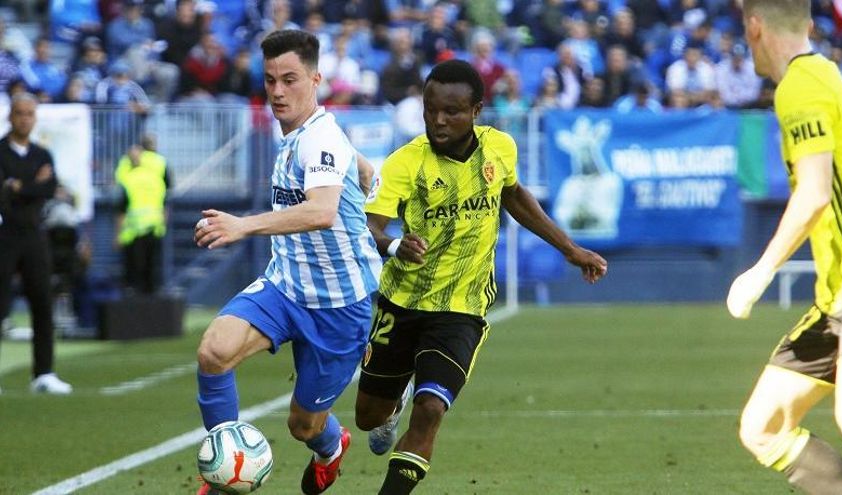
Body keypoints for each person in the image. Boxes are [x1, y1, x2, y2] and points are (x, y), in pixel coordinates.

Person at [354, 59, 608, 494]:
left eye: (451, 111)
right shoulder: (404, 163)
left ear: (476, 110)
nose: (438, 120)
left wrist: (569, 248)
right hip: (402, 303)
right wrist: (394, 244)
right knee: (368, 418)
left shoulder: (500, 149)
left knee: (432, 407)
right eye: (430, 110)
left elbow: (512, 194)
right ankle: (391, 405)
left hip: (462, 308)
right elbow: (369, 224)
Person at [192, 29, 381, 495]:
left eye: (290, 79)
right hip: (285, 286)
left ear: (315, 79)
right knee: (214, 352)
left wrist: (243, 225)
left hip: (339, 306)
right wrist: (361, 166)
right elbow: (351, 163)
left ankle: (332, 446)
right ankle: (224, 473)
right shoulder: (307, 133)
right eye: (271, 79)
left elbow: (321, 212)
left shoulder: (320, 140)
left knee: (304, 425)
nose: (277, 91)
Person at [727, 1, 842, 493]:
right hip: (838, 295)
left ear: (753, 27)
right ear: (811, 25)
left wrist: (761, 270)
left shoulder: (801, 85)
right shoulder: (823, 76)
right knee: (763, 426)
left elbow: (814, 192)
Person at [0, 93, 73, 394]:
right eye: (20, 113)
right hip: (5, 235)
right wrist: (31, 184)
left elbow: (48, 189)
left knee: (42, 302)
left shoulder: (43, 154)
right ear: (10, 116)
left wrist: (19, 185)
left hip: (34, 235)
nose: (25, 118)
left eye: (30, 113)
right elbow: (4, 193)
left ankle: (43, 373)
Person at [115, 134, 170, 295]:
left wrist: (117, 234)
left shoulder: (128, 175)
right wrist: (163, 223)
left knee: (133, 278)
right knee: (151, 276)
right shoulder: (158, 175)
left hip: (132, 230)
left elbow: (121, 207)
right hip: (154, 227)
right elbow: (165, 201)